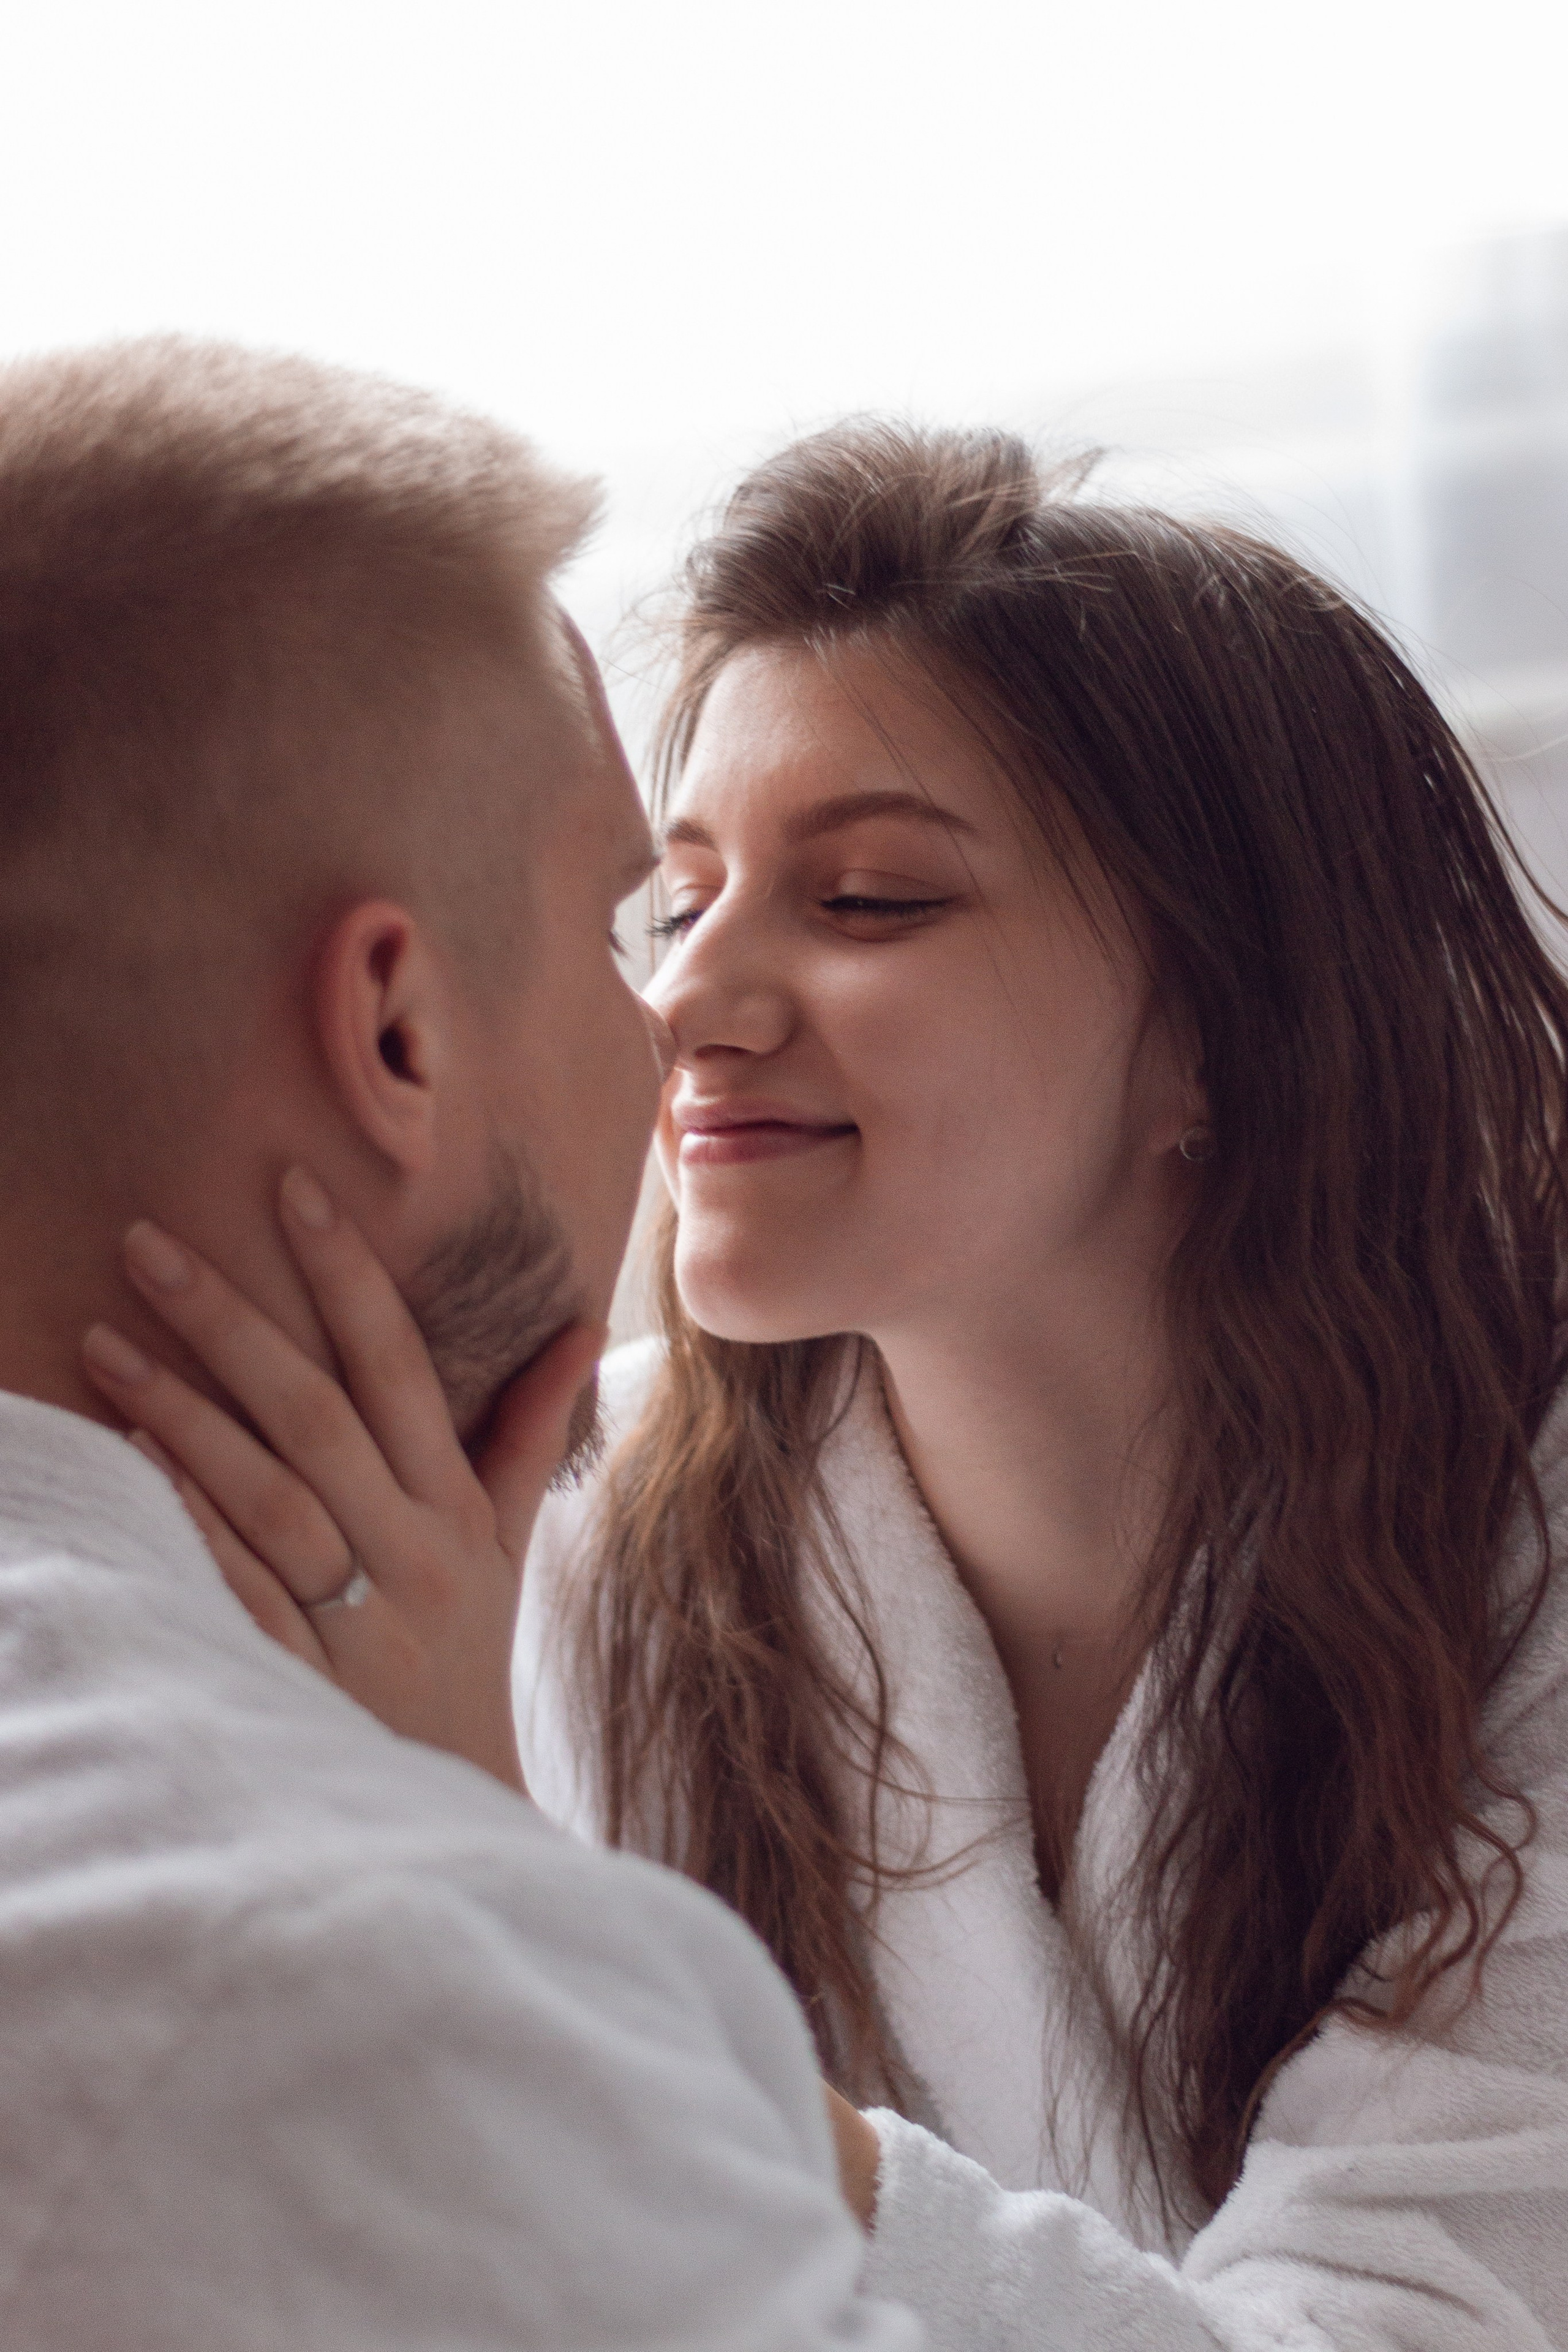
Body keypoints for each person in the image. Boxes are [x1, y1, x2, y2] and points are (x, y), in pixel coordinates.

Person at [130, 424, 1568, 2350]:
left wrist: (539, 1926)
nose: (690, 1002)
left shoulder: (1525, 1536)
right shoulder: (587, 1557)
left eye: (871, 901)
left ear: (1229, 1025)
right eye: (679, 902)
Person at [0, 339, 922, 2349]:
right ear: (397, 1030)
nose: (676, 1018)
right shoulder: (346, 1990)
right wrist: (546, 1939)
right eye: (626, 917)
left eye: (866, 896)